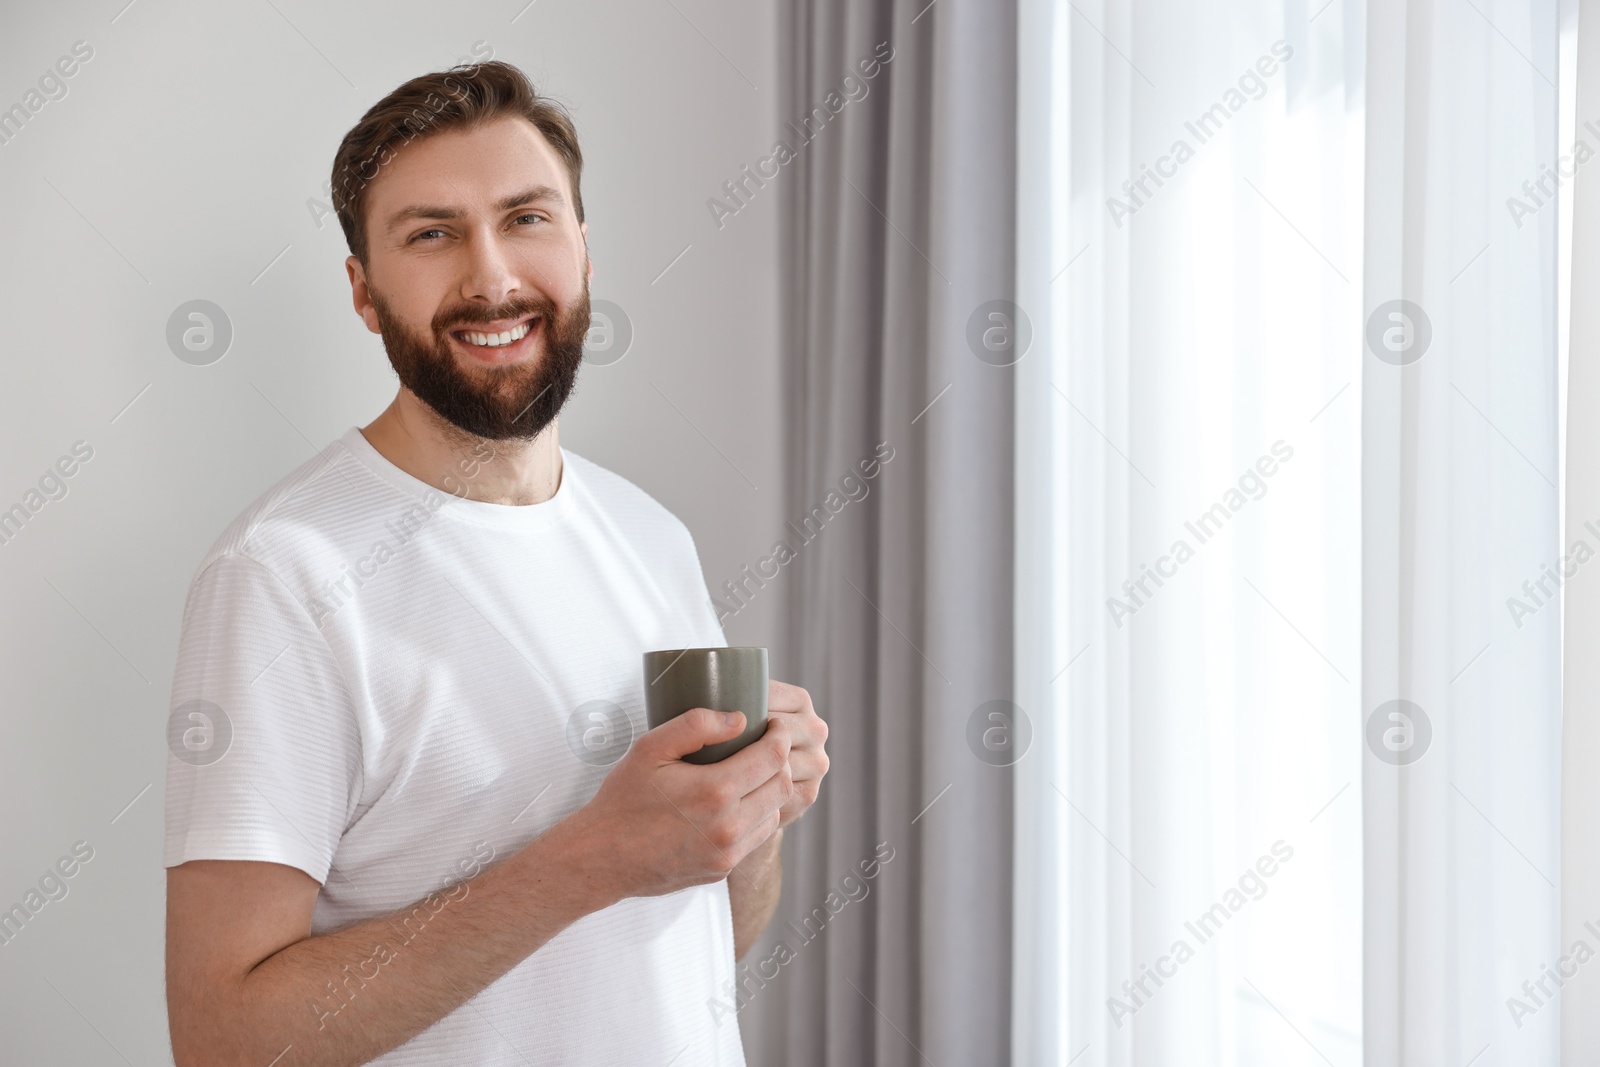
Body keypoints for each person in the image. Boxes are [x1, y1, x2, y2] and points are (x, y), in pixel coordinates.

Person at [162, 59, 829, 1067]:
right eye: (431, 234)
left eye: (527, 218)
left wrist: (752, 813)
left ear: (583, 249)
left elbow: (687, 944)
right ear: (364, 290)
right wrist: (589, 857)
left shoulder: (651, 535)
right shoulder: (283, 575)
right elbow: (223, 1037)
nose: (492, 277)